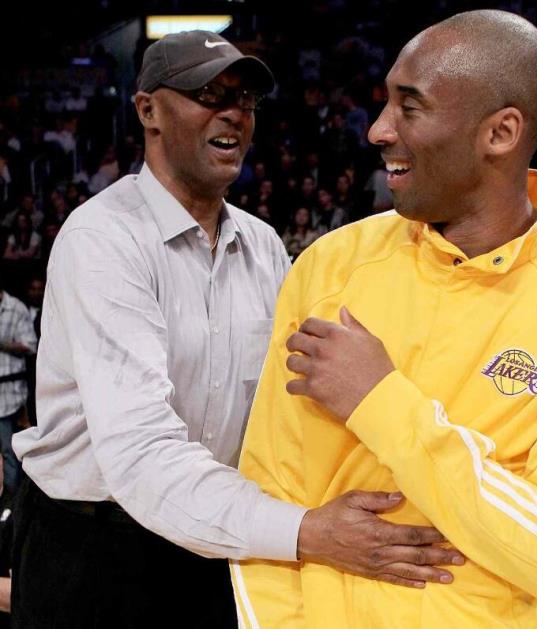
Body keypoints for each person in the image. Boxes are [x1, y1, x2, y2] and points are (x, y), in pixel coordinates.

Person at [235, 10, 537, 627]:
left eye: (410, 107)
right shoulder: (331, 264)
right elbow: (268, 506)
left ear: (500, 133)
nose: (378, 129)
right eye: (385, 102)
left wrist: (383, 403)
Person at [10, 30, 459, 629]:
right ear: (148, 110)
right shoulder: (104, 239)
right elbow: (140, 455)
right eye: (208, 95)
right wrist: (309, 532)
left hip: (222, 534)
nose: (233, 114)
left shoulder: (264, 245)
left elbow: (295, 400)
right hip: (96, 544)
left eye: (244, 99)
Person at [0, 270, 36, 498]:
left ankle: (12, 501)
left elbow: (31, 345)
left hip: (10, 392)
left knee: (9, 449)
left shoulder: (16, 308)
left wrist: (3, 344)